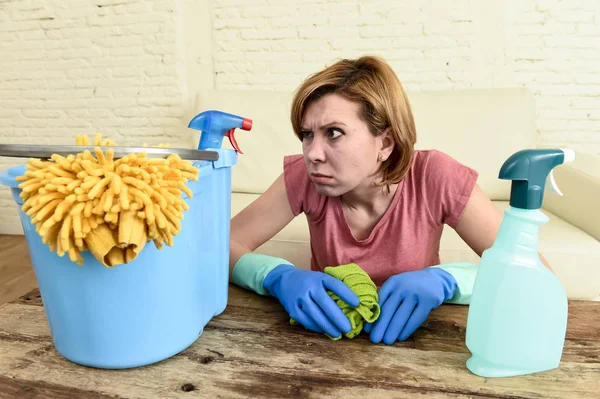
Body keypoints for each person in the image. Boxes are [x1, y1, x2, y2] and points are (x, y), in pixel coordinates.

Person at [228, 55, 552, 345]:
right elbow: (221, 244)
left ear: (385, 142)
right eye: (307, 134)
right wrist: (276, 277)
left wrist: (448, 281)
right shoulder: (304, 176)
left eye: (334, 133)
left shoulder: (435, 175)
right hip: (324, 343)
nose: (312, 153)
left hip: (425, 346)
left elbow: (536, 273)